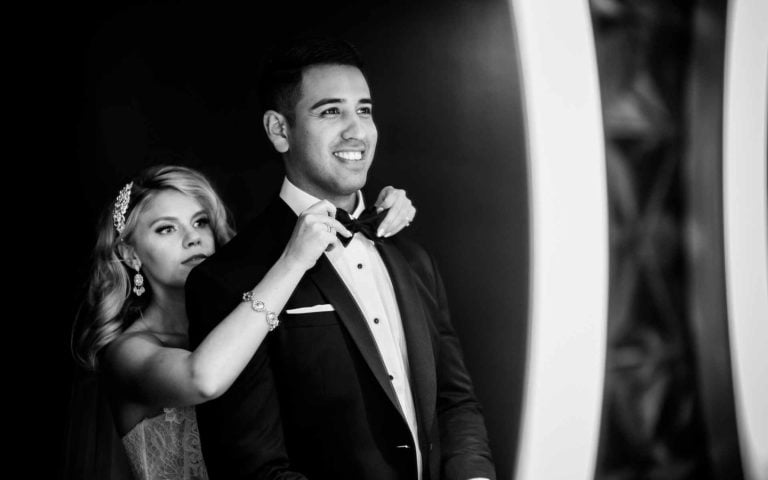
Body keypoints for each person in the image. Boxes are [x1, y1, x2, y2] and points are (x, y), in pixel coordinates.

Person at [185, 37, 496, 480]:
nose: (357, 130)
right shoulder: (229, 276)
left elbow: (455, 401)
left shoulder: (412, 255)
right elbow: (253, 466)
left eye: (364, 110)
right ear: (279, 130)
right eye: (331, 111)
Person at [71, 164, 416, 480]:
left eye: (200, 221)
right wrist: (293, 261)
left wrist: (367, 208)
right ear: (130, 253)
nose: (192, 238)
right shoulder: (127, 352)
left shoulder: (254, 318)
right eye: (166, 229)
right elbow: (203, 378)